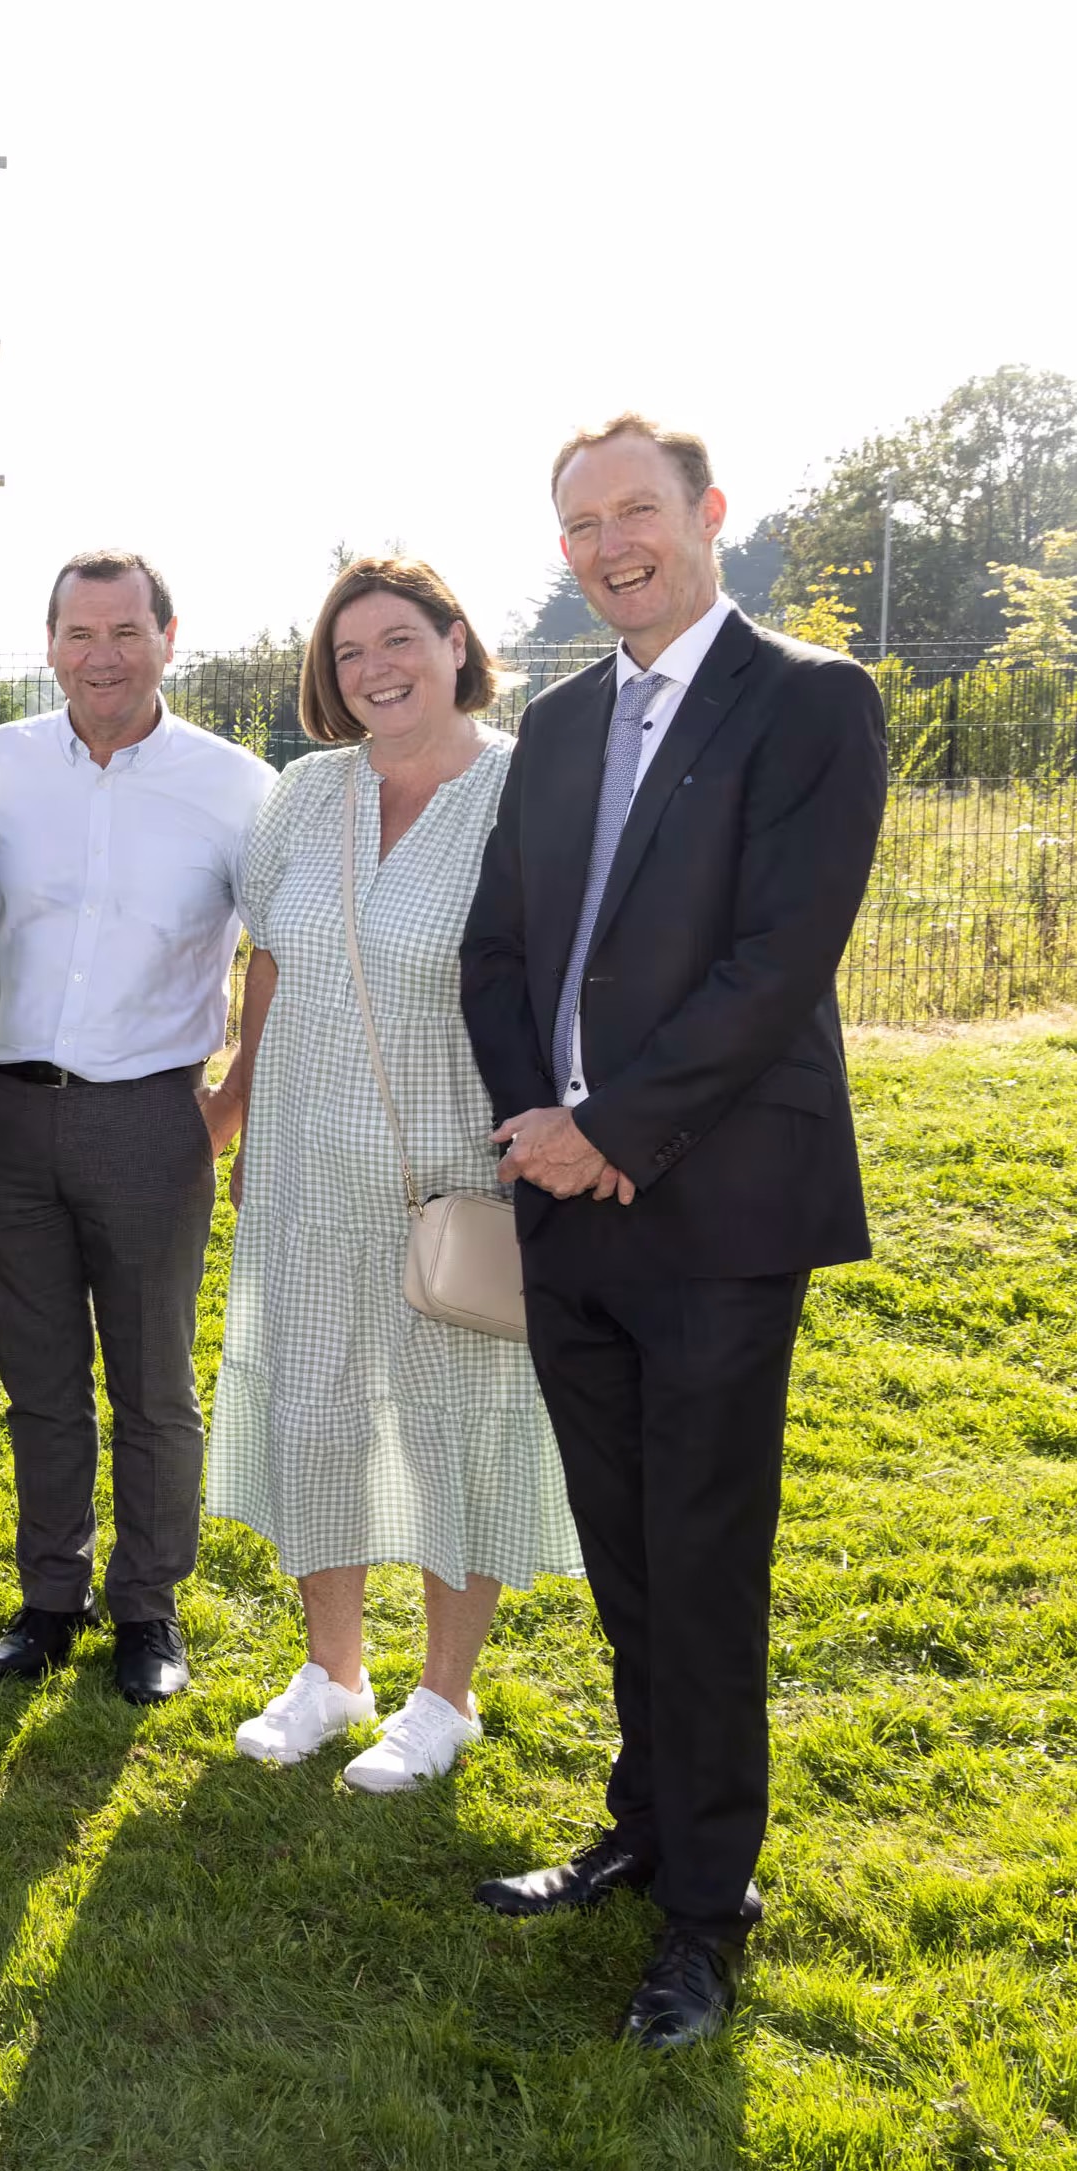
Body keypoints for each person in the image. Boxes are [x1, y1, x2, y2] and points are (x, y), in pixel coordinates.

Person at [462, 416, 886, 2049]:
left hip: (714, 1209)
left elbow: (777, 957)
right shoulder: (558, 725)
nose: (608, 542)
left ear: (707, 514)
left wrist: (615, 1130)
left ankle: (709, 1910)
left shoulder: (805, 699)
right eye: (579, 522)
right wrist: (540, 1136)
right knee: (626, 1552)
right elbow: (498, 953)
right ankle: (643, 1823)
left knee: (702, 1563)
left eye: (635, 509)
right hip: (566, 1209)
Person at [209, 558, 582, 1792]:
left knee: (450, 1427)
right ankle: (332, 1673)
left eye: (398, 641)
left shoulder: (526, 788)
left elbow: (570, 977)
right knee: (313, 1409)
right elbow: (270, 962)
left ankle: (443, 1696)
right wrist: (244, 1103)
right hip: (308, 1165)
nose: (376, 669)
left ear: (455, 641)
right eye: (349, 652)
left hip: (455, 1165)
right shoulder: (307, 796)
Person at [0, 550, 273, 1705]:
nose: (102, 654)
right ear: (48, 646)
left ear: (168, 636)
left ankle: (147, 1608)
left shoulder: (234, 785)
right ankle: (49, 1599)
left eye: (125, 631)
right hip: (4, 1115)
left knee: (152, 1383)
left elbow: (276, 946)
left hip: (151, 1117)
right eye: (80, 634)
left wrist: (230, 1101)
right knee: (38, 1382)